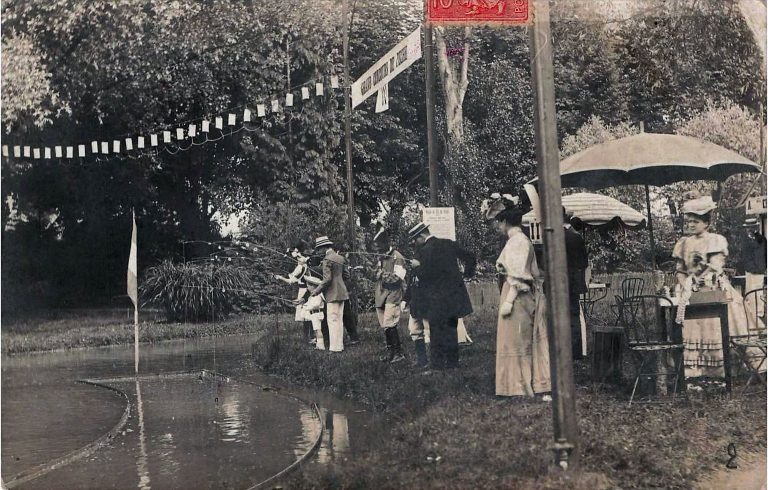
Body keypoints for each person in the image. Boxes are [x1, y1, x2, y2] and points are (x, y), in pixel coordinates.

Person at [673, 195, 750, 378]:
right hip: (690, 289)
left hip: (712, 286)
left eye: (696, 221)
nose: (691, 225)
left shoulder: (716, 240)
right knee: (690, 325)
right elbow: (680, 270)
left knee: (718, 324)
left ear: (706, 223)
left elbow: (715, 266)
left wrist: (702, 273)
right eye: (689, 221)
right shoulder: (684, 243)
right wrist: (686, 283)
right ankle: (694, 370)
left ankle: (722, 369)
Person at [494, 208, 552, 399]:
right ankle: (516, 384)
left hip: (519, 296)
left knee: (516, 339)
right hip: (517, 293)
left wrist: (509, 301)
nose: (497, 226)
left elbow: (519, 276)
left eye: (499, 222)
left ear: (505, 222)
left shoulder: (518, 241)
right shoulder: (516, 240)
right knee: (513, 338)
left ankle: (520, 385)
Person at [407, 222, 476, 370]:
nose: (414, 243)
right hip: (453, 296)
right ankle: (453, 363)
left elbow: (427, 275)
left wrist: (417, 267)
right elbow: (470, 257)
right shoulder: (448, 243)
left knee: (436, 331)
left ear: (422, 235)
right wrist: (467, 275)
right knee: (451, 329)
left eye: (415, 239)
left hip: (435, 298)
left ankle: (437, 365)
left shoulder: (425, 251)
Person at [274, 242, 322, 346]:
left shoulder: (301, 267)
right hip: (305, 289)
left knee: (307, 314)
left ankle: (310, 337)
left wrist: (280, 277)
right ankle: (310, 336)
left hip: (305, 291)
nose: (297, 258)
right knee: (307, 314)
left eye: (299, 256)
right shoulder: (303, 265)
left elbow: (291, 280)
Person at [372, 228, 407, 363]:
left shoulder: (398, 257)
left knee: (389, 322)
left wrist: (383, 274)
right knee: (384, 324)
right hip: (381, 294)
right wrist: (372, 272)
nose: (377, 250)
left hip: (393, 294)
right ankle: (390, 352)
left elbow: (397, 278)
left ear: (386, 244)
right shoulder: (380, 257)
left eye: (379, 247)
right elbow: (375, 275)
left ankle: (398, 353)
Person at [309, 236, 349, 352]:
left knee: (332, 320)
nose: (318, 252)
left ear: (324, 248)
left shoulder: (327, 260)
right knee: (339, 320)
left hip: (332, 293)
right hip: (342, 292)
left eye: (318, 249)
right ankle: (340, 346)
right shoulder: (340, 258)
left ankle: (335, 348)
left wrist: (316, 291)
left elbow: (327, 279)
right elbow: (347, 275)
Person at [563, 207, 589, 360]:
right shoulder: (576, 235)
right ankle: (576, 351)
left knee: (571, 317)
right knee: (574, 316)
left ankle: (573, 351)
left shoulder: (561, 236)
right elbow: (584, 262)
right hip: (574, 282)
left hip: (566, 283)